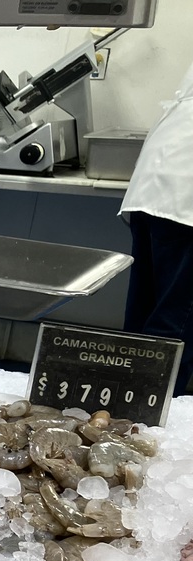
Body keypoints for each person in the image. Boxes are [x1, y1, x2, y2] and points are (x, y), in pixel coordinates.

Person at [122, 59, 193, 393]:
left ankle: (123, 410)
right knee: (174, 323)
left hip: (156, 184)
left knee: (144, 317)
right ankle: (147, 415)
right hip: (185, 201)